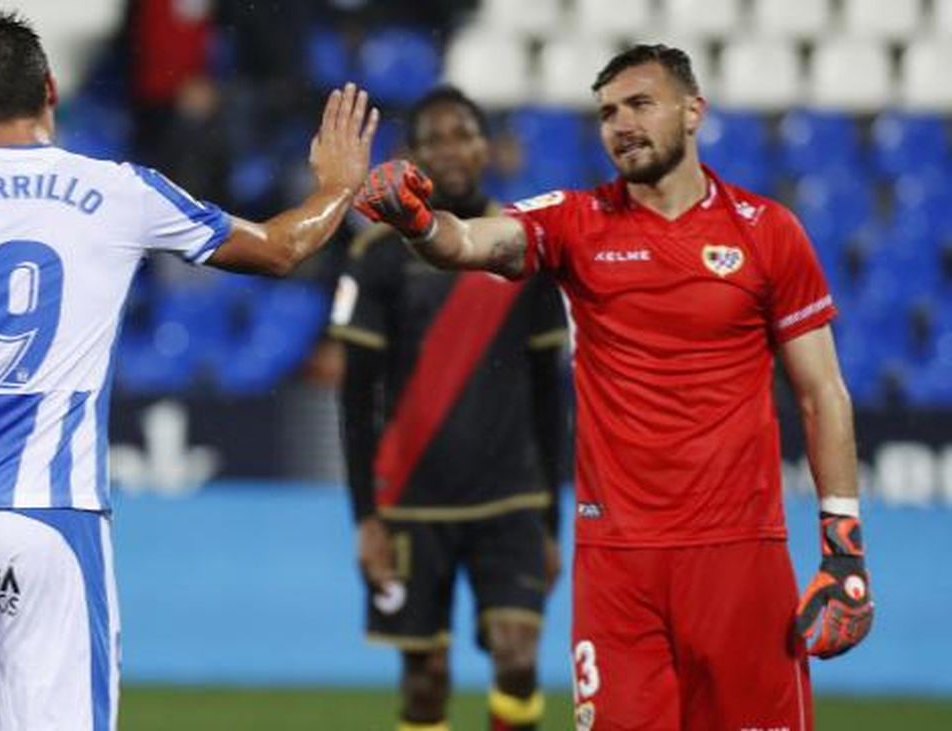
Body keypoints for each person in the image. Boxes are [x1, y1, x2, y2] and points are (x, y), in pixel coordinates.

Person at [0, 8, 377, 730]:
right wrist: (335, 188)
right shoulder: (121, 190)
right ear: (51, 87)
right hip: (47, 514)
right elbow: (277, 248)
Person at [353, 45, 874, 730]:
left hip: (739, 553)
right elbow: (470, 242)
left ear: (693, 111)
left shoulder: (768, 232)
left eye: (639, 104)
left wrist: (843, 549)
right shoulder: (573, 222)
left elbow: (822, 393)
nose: (620, 124)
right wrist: (417, 222)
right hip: (616, 565)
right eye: (605, 112)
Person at [330, 86, 567, 731]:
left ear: (485, 146)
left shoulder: (527, 244)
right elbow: (356, 396)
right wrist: (367, 519)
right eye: (432, 140)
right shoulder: (377, 255)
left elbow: (553, 390)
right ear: (415, 157)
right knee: (424, 685)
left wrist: (553, 523)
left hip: (510, 499)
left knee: (519, 660)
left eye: (461, 133)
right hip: (411, 501)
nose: (450, 150)